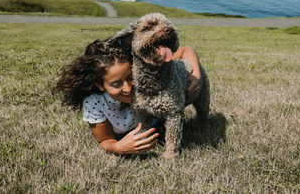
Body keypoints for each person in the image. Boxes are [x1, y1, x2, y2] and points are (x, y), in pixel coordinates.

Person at [53, 39, 202, 155]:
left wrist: (196, 76)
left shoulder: (144, 67)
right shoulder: (95, 102)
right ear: (99, 85)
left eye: (130, 77)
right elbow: (105, 140)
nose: (128, 87)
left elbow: (185, 51)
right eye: (117, 83)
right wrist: (118, 147)